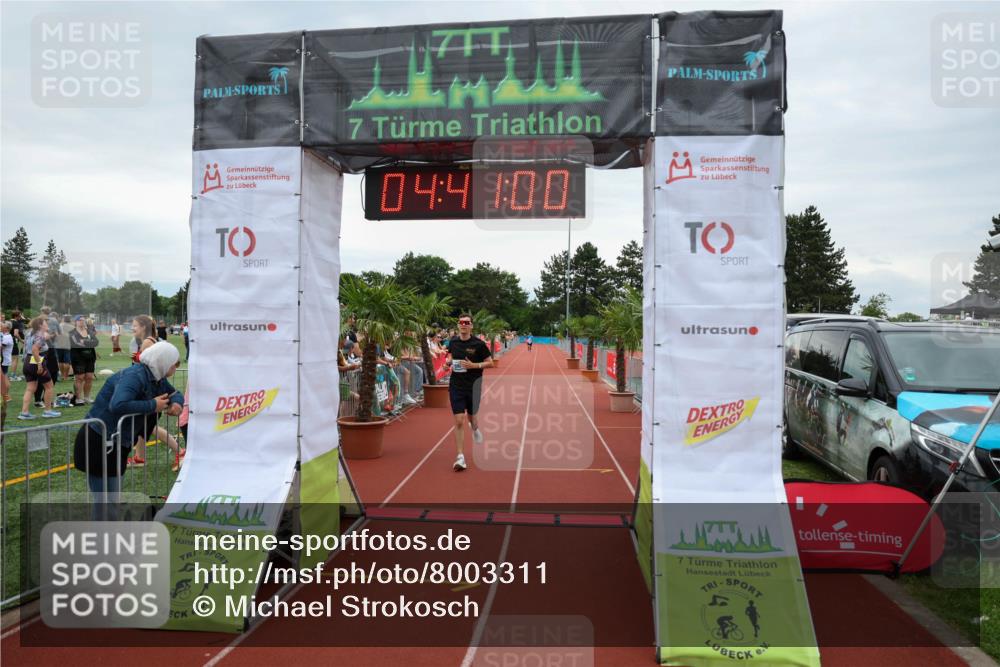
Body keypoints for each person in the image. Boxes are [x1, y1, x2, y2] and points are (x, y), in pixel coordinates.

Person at [73, 342, 184, 511]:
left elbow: (176, 394)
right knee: (104, 501)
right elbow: (117, 404)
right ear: (163, 362)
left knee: (112, 500)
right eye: (174, 364)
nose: (175, 368)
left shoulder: (157, 378)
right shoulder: (135, 375)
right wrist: (152, 405)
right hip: (98, 440)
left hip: (116, 443)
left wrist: (177, 404)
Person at [446, 314, 493, 471]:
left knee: (472, 418)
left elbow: (490, 363)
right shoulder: (453, 341)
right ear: (458, 325)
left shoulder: (478, 344)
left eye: (467, 323)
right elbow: (449, 356)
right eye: (461, 322)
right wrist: (447, 364)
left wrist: (474, 366)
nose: (463, 325)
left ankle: (475, 429)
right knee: (459, 420)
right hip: (456, 385)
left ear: (471, 326)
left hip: (473, 386)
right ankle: (460, 456)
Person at [18, 316, 60, 419]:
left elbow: (40, 340)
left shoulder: (30, 333)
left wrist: (52, 334)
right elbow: (35, 349)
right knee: (49, 386)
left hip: (28, 362)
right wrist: (39, 364)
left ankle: (24, 412)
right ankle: (47, 411)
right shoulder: (40, 335)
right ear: (40, 325)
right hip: (37, 362)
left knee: (30, 388)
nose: (47, 324)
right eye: (45, 322)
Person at [70, 316, 99, 405]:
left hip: (90, 358)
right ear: (75, 322)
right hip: (78, 359)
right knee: (79, 378)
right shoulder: (72, 333)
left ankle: (87, 397)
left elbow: (96, 342)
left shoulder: (89, 332)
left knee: (89, 377)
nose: (82, 322)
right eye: (80, 320)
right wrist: (89, 342)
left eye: (83, 320)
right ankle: (78, 398)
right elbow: (76, 343)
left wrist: (84, 342)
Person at [55, 314, 74, 381]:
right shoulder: (72, 327)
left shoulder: (59, 325)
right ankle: (65, 376)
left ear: (63, 319)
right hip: (67, 345)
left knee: (60, 361)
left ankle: (62, 375)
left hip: (58, 345)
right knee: (67, 361)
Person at [9, 311, 24, 380]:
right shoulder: (16, 323)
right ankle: (13, 376)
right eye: (20, 316)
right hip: (12, 342)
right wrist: (22, 340)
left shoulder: (8, 322)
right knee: (15, 358)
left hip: (5, 341)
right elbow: (16, 334)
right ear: (16, 316)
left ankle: (4, 374)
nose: (20, 317)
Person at [1, 321, 13, 403]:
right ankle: (5, 395)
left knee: (4, 377)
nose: (1, 327)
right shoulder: (5, 336)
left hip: (4, 360)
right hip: (4, 359)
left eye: (2, 326)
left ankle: (6, 396)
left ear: (7, 328)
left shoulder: (7, 337)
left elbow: (1, 348)